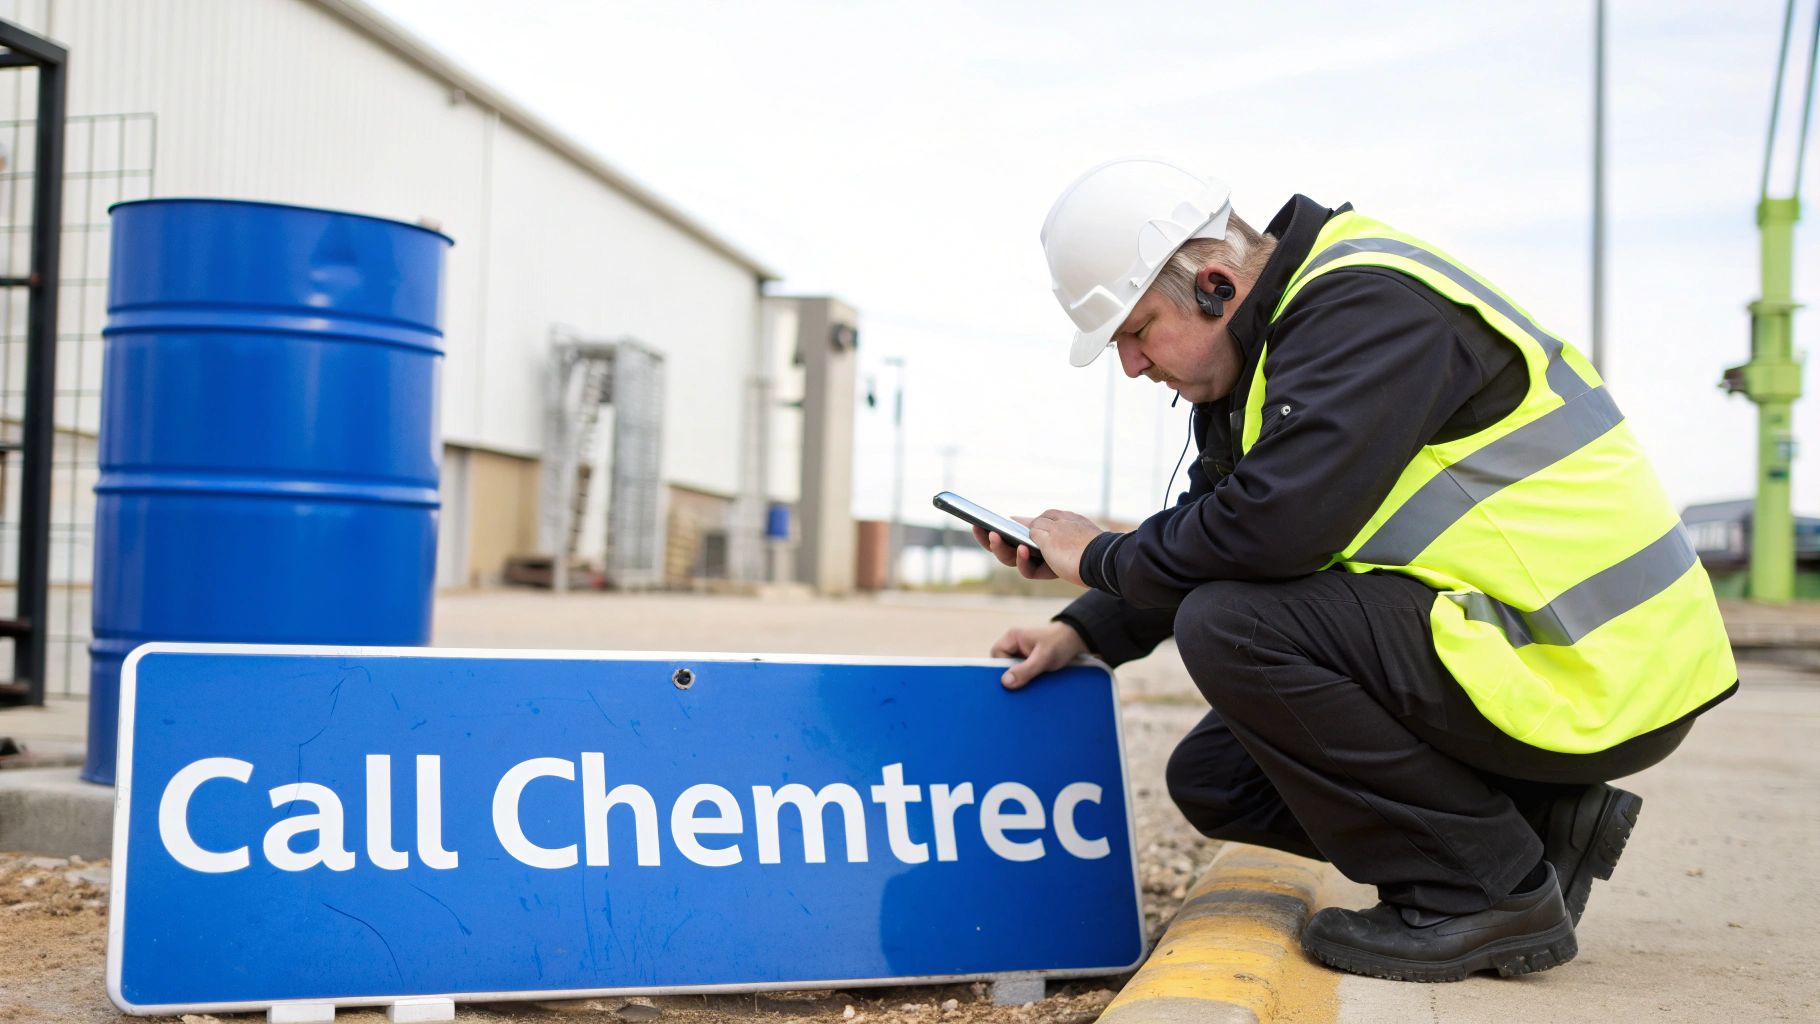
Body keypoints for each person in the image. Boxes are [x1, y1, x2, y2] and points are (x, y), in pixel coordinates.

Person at [974, 157, 1737, 983]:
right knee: (1219, 780)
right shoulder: (1275, 357)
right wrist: (1082, 627)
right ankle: (1542, 827)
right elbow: (1212, 530)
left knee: (1234, 626)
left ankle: (1484, 893)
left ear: (1216, 285)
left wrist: (1097, 555)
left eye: (1136, 330)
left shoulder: (1364, 308)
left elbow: (1268, 534)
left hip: (1594, 662)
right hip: (1530, 649)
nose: (1130, 365)